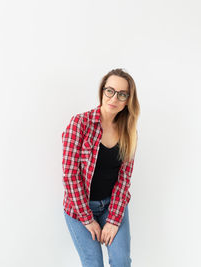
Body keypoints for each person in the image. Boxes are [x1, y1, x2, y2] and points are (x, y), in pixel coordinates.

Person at [61, 68, 140, 267]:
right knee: (93, 264)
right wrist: (87, 219)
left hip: (112, 204)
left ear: (128, 100)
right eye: (110, 91)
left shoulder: (129, 132)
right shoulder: (80, 123)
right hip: (79, 208)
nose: (114, 98)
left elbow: (124, 179)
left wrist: (113, 219)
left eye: (122, 94)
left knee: (121, 261)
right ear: (102, 91)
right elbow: (70, 175)